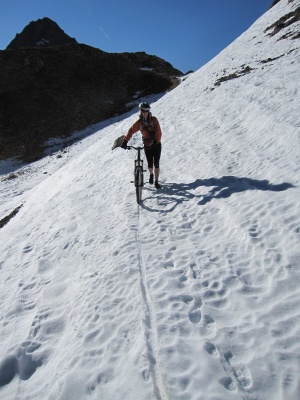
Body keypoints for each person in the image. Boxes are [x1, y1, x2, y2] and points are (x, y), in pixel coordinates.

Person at [121, 102, 162, 189]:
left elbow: (159, 131)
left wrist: (156, 141)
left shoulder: (154, 120)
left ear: (148, 111)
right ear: (140, 111)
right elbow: (131, 131)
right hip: (147, 145)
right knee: (150, 163)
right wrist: (125, 141)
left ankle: (156, 181)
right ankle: (151, 174)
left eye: (146, 111)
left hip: (156, 144)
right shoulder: (139, 123)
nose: (145, 112)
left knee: (157, 163)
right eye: (143, 111)